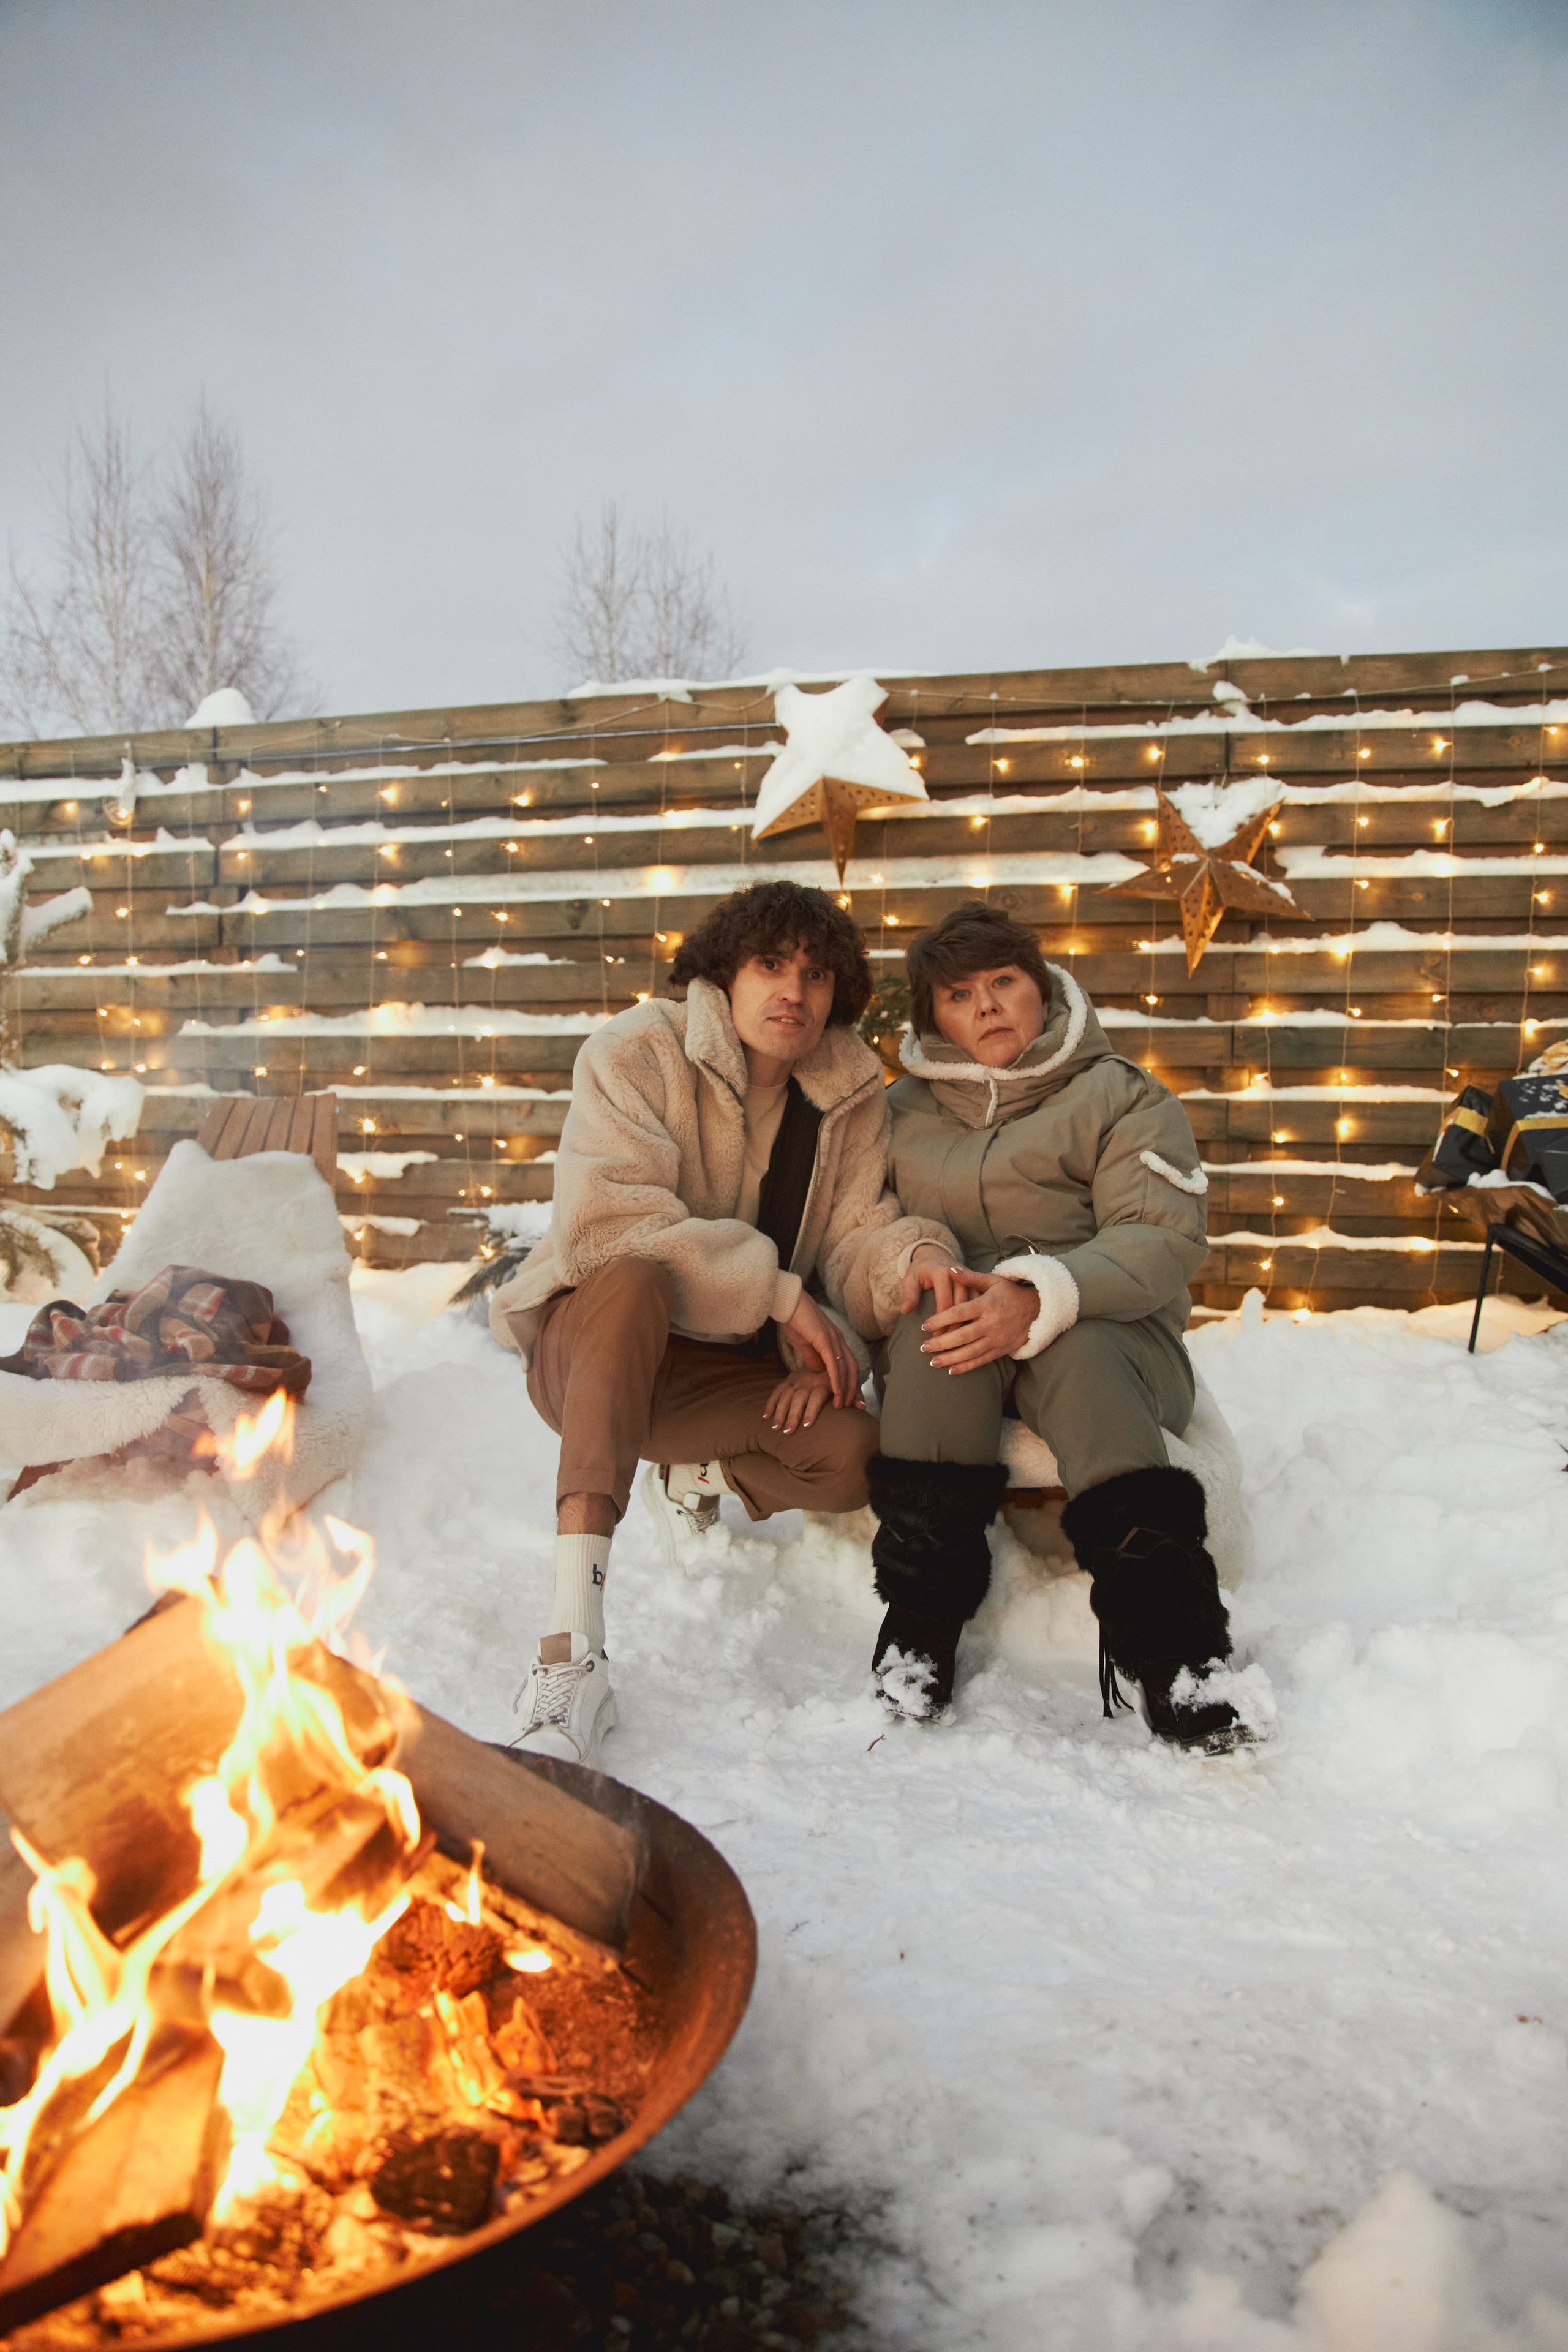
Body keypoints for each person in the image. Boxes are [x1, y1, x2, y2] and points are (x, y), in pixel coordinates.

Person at [488, 879, 959, 1765]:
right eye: (771, 965)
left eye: (817, 976)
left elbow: (858, 1236)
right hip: (590, 1348)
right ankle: (570, 1653)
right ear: (723, 973)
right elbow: (606, 1228)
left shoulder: (847, 1096)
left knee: (854, 1453)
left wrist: (911, 1265)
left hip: (716, 1370)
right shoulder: (637, 1051)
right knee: (632, 1282)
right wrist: (781, 1296)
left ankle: (693, 1476)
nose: (794, 992)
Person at [868, 902, 1245, 1752]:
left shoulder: (1122, 1094)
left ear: (1041, 990)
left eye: (1005, 983)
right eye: (960, 996)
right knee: (937, 1340)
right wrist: (917, 1259)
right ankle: (921, 1616)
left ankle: (1174, 1645)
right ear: (933, 1019)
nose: (988, 1006)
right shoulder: (898, 1114)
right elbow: (862, 1228)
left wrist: (1041, 1296)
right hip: (963, 1318)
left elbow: (1160, 1237)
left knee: (1083, 1351)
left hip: (1110, 1327)